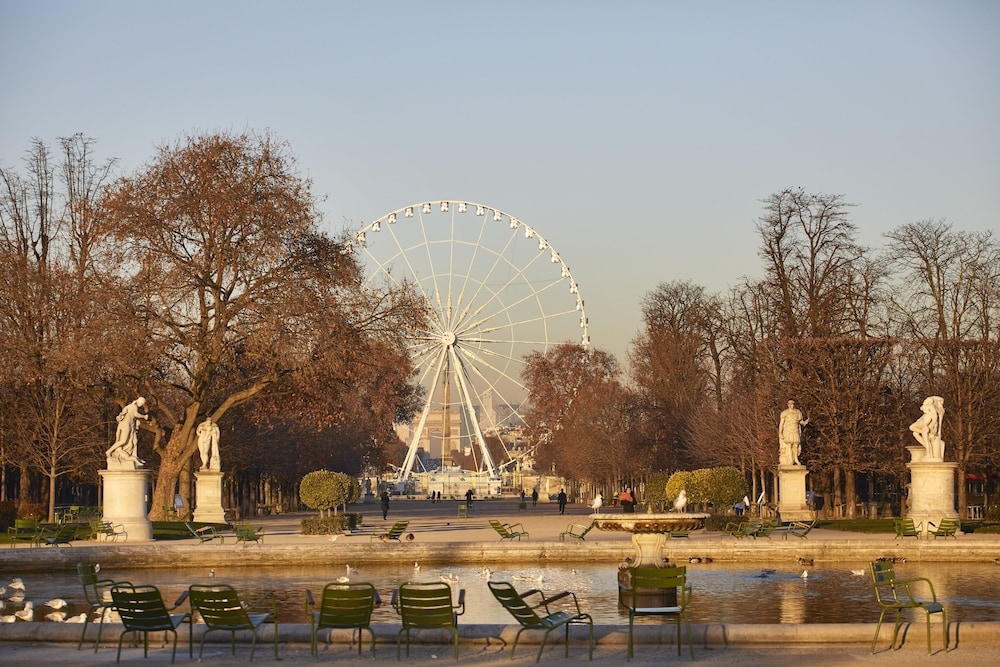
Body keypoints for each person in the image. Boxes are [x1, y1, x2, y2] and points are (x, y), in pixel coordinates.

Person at [105, 397, 149, 467]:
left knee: (134, 441)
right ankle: (109, 451)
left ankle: (135, 456)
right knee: (123, 441)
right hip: (126, 425)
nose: (142, 405)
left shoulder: (129, 406)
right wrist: (144, 416)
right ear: (140, 403)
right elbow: (136, 414)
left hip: (130, 425)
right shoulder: (133, 406)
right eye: (142, 404)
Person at [910, 395, 946, 460]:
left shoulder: (930, 412)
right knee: (915, 433)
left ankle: (929, 454)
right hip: (924, 428)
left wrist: (932, 428)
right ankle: (929, 451)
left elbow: (935, 417)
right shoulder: (926, 415)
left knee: (927, 442)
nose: (923, 409)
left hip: (925, 428)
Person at [778, 400, 809, 465]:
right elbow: (781, 424)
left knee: (795, 445)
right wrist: (780, 432)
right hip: (788, 430)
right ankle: (790, 460)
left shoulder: (798, 412)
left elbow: (800, 422)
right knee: (789, 444)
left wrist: (804, 422)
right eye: (790, 404)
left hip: (795, 430)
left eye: (792, 404)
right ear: (788, 405)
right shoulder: (785, 413)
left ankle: (796, 459)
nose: (792, 405)